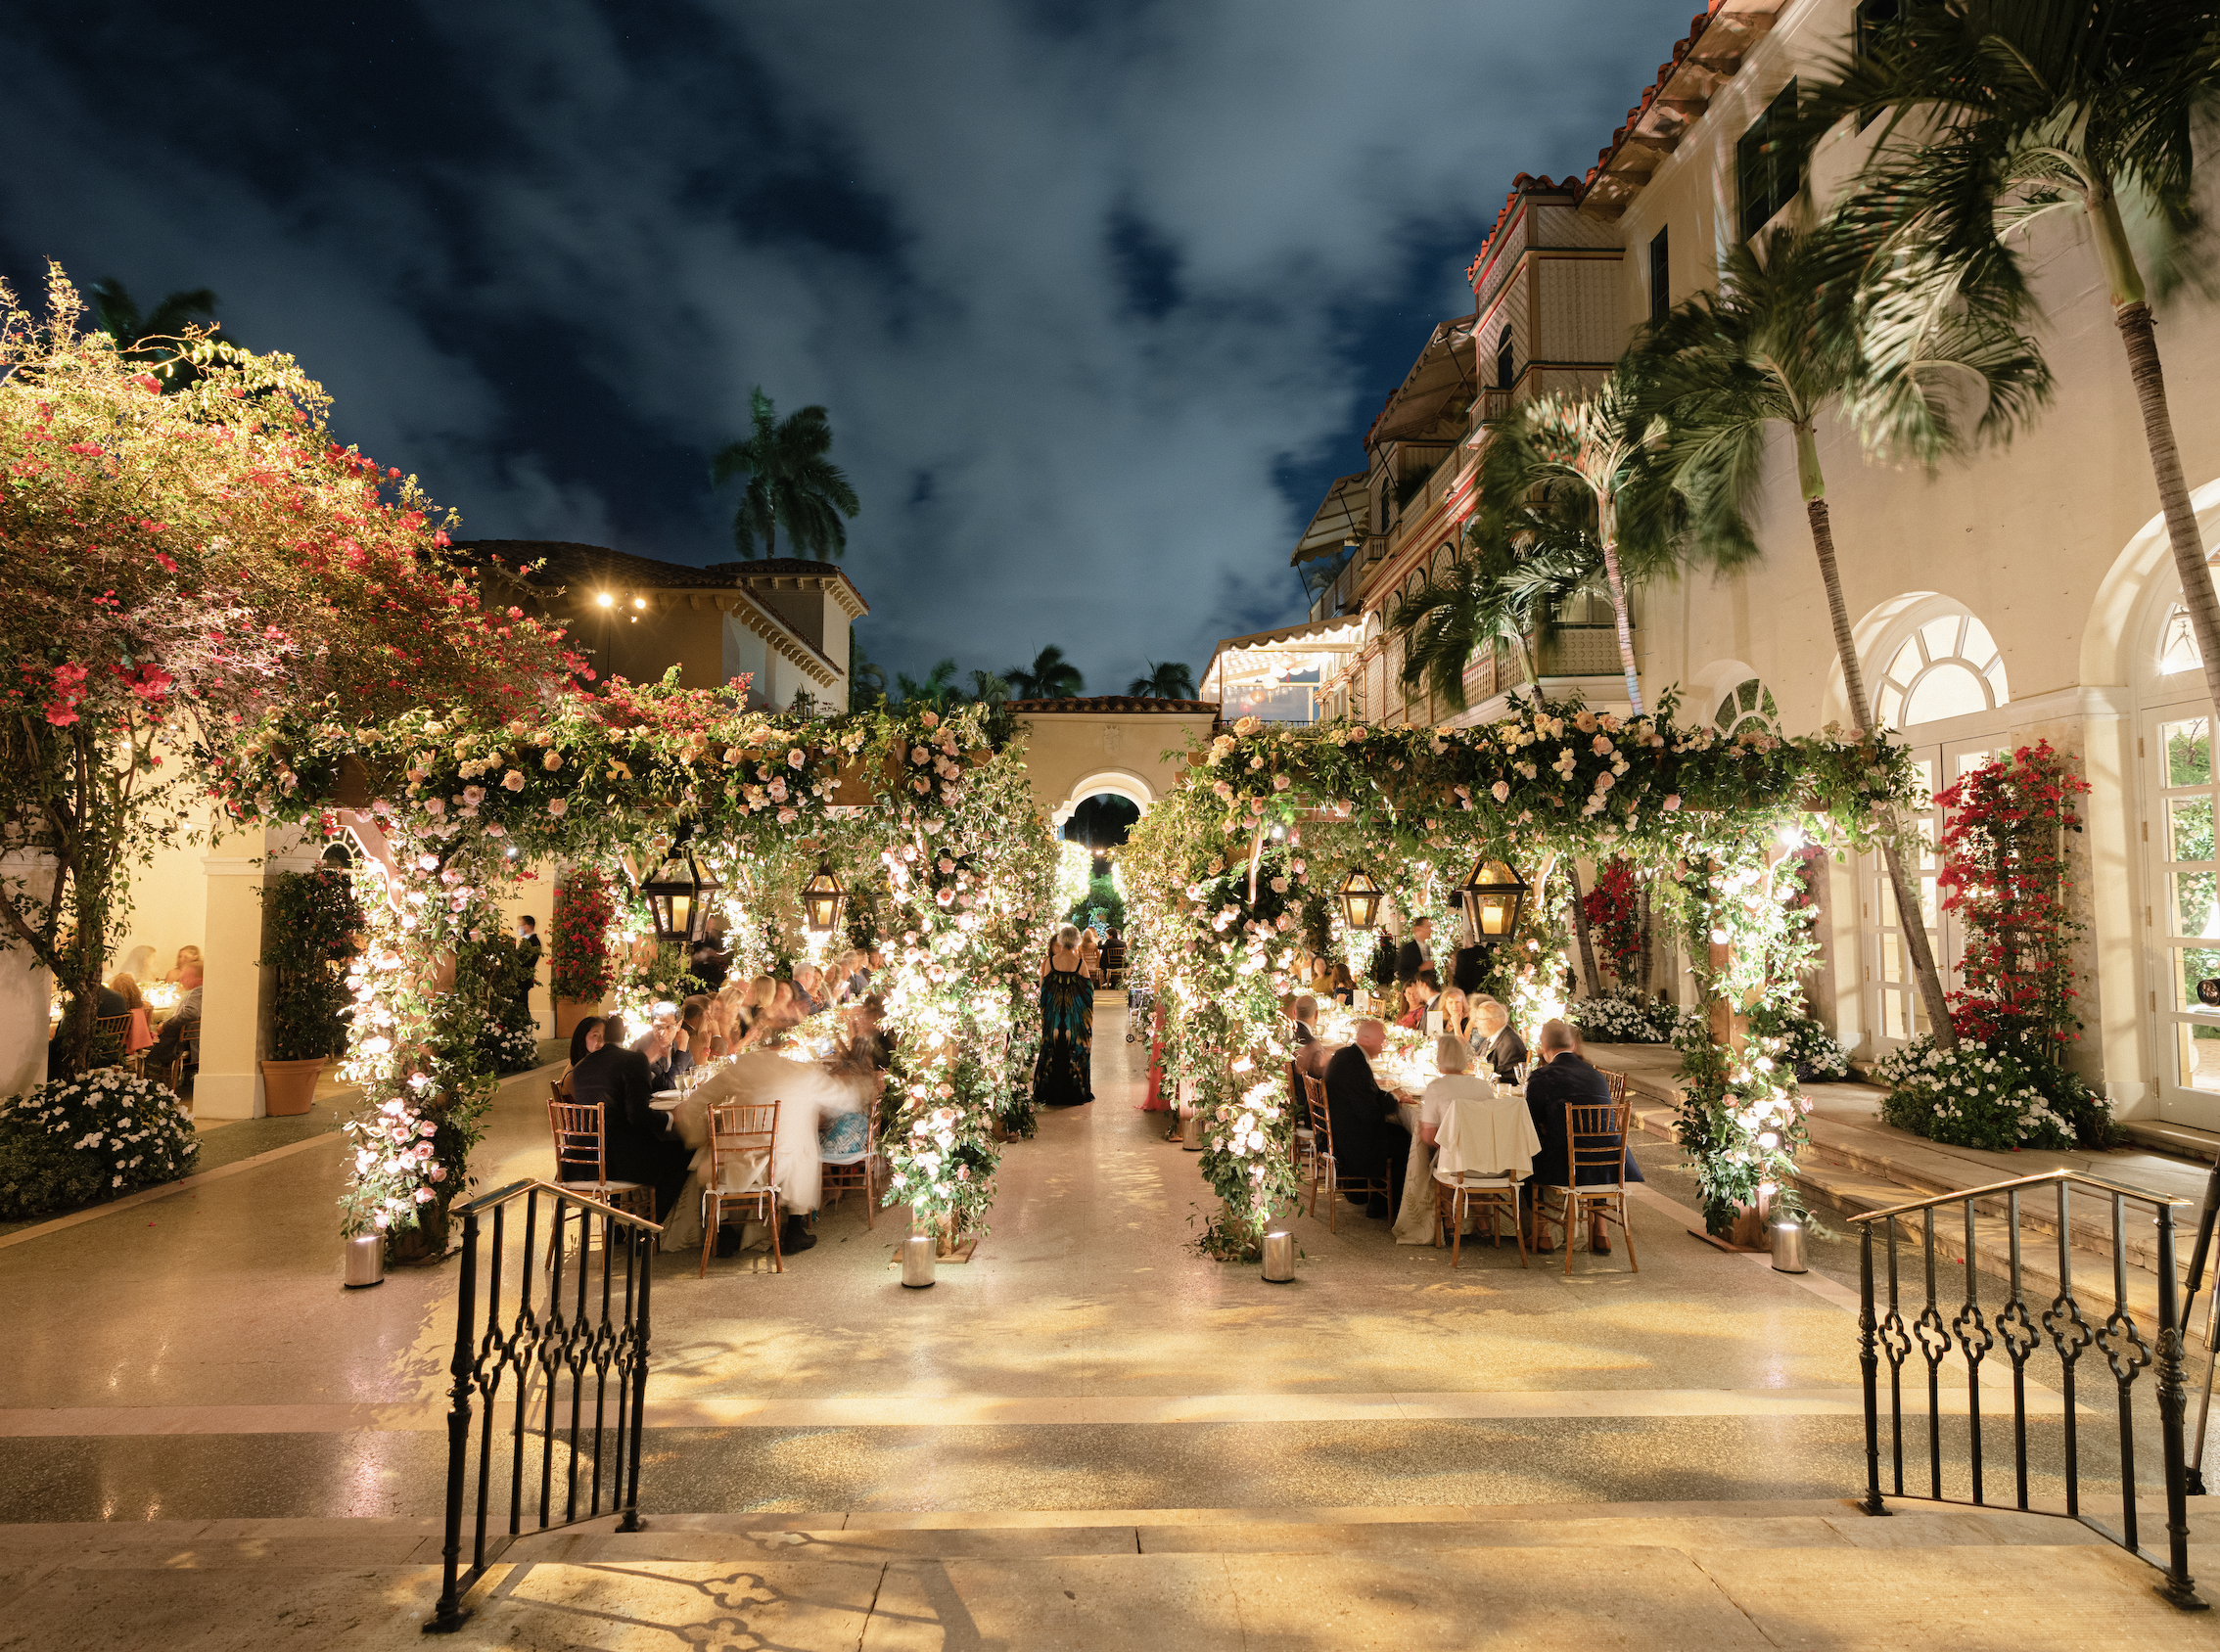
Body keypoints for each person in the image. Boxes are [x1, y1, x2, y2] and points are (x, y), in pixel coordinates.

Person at [690, 1035, 875, 1255]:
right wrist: (863, 1082)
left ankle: (724, 1231)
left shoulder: (741, 1067)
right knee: (805, 1143)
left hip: (731, 1164)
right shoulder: (804, 1073)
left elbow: (699, 1098)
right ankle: (795, 1229)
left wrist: (696, 1130)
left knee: (710, 1149)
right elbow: (844, 1099)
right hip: (779, 1168)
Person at [1523, 1018, 1642, 1253]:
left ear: (1543, 1047)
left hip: (1566, 1165)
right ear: (1573, 1046)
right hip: (1610, 1162)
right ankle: (1600, 1231)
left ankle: (1543, 1233)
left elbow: (1530, 1123)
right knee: (1594, 1144)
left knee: (1524, 1158)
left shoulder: (1542, 1077)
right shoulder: (1596, 1075)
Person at [568, 1012, 692, 1224]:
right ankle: (645, 1227)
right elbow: (638, 1115)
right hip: (616, 1161)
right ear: (622, 1035)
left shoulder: (581, 1067)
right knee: (682, 1155)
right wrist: (671, 1119)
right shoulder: (633, 1060)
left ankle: (617, 1227)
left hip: (578, 1161)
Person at [1322, 1019, 1411, 1217]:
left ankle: (1379, 1199)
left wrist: (1393, 1096)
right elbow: (1369, 1112)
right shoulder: (1354, 1064)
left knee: (1400, 1132)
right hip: (1352, 1140)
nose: (1383, 1045)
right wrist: (1393, 1098)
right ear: (1367, 1039)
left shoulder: (1349, 1056)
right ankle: (1385, 1206)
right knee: (1406, 1141)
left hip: (1343, 1129)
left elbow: (1369, 1095)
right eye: (1382, 1040)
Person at [1034, 923, 1094, 1107]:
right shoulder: (1080, 963)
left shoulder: (1049, 962)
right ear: (1076, 941)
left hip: (1053, 1016)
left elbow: (1043, 988)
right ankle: (1074, 1090)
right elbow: (1089, 991)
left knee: (1051, 1048)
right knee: (1074, 1050)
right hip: (1074, 1018)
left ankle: (1049, 1090)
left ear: (1061, 939)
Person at [1415, 1034, 1492, 1147]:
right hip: (1486, 1155)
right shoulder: (1484, 1085)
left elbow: (1429, 1136)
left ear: (1439, 1058)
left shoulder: (1436, 1087)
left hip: (1453, 1159)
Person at [143, 960, 204, 1087]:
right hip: (190, 1040)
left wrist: (165, 1025)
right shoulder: (200, 991)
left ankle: (150, 1085)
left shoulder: (198, 992)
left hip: (179, 1043)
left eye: (186, 976)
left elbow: (191, 1013)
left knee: (149, 1047)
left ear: (199, 978)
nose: (181, 979)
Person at [1474, 998, 1527, 1084]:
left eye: (1479, 1019)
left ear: (1490, 1021)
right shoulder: (1492, 1038)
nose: (1476, 1023)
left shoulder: (1509, 1043)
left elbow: (1506, 1077)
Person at [514, 916, 541, 1032]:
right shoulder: (528, 941)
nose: (519, 928)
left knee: (522, 1007)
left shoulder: (533, 942)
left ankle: (525, 1033)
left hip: (522, 981)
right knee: (521, 1006)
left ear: (527, 926)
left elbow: (523, 962)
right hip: (520, 980)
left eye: (521, 925)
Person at [1395, 917, 1435, 986]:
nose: (1431, 930)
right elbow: (1402, 974)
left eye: (1431, 927)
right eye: (1428, 927)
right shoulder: (1408, 949)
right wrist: (1420, 969)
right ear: (1418, 928)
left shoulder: (1427, 948)